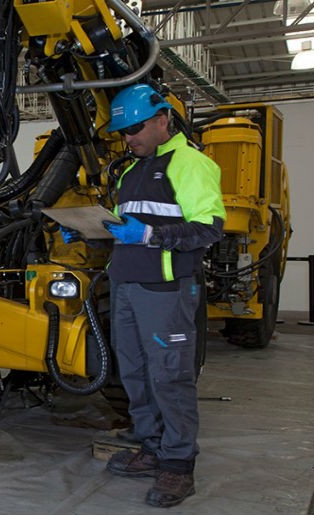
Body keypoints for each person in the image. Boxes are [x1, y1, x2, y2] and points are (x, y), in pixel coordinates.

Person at [100, 83, 226, 508]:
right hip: (128, 286)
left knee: (170, 377)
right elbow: (126, 231)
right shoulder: (130, 171)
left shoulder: (191, 164)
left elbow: (208, 228)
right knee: (134, 374)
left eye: (135, 127)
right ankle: (152, 447)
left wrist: (148, 234)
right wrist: (93, 232)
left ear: (162, 119)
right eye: (124, 132)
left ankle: (177, 464)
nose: (129, 137)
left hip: (166, 290)